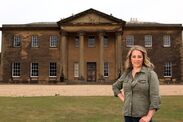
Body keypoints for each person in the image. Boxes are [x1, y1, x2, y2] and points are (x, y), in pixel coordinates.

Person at [112, 45, 160, 122]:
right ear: (130, 59)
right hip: (128, 115)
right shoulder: (127, 73)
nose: (136, 59)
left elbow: (155, 97)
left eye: (139, 57)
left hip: (143, 117)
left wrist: (148, 116)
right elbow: (115, 87)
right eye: (134, 56)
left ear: (143, 58)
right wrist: (124, 99)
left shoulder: (150, 74)